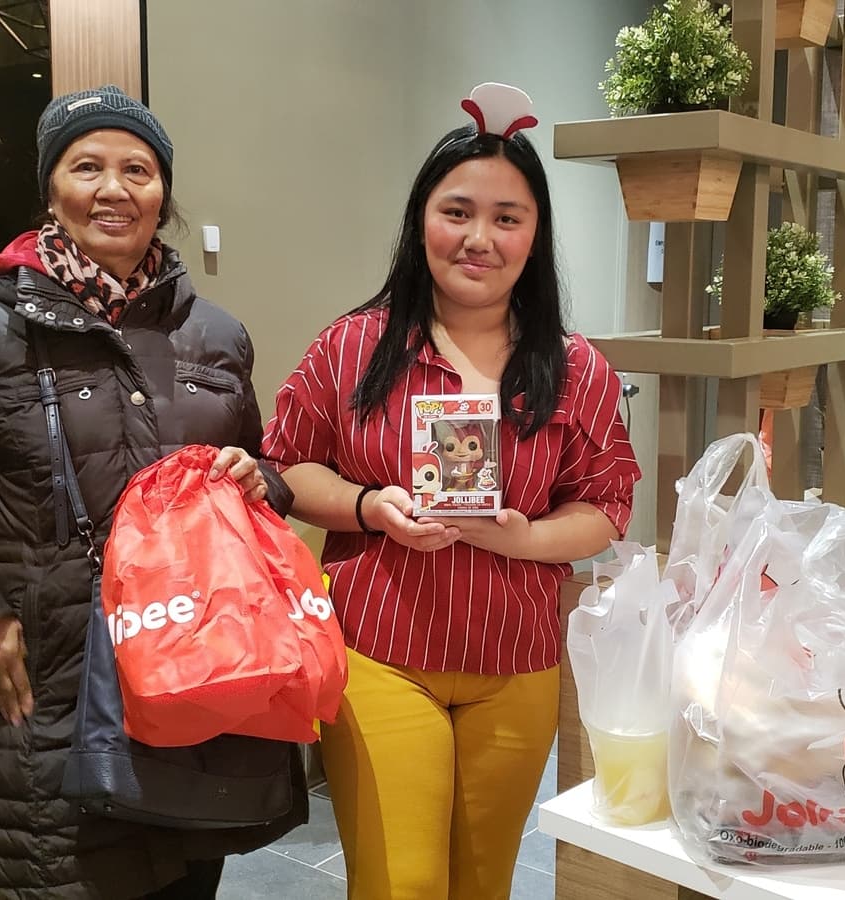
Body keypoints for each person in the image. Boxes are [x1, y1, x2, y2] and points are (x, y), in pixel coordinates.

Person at [0, 84, 305, 898]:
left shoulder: (215, 334)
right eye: (86, 165)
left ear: (163, 193)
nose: (113, 188)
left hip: (187, 690)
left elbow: (252, 467)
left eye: (137, 168)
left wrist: (258, 480)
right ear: (51, 189)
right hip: (47, 700)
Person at [262, 83, 640, 900]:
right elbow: (289, 467)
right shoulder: (354, 346)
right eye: (457, 211)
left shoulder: (577, 370)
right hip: (380, 651)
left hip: (518, 661)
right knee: (400, 885)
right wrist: (371, 507)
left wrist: (525, 539)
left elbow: (605, 504)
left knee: (484, 885)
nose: (480, 238)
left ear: (535, 236)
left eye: (508, 218)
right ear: (420, 220)